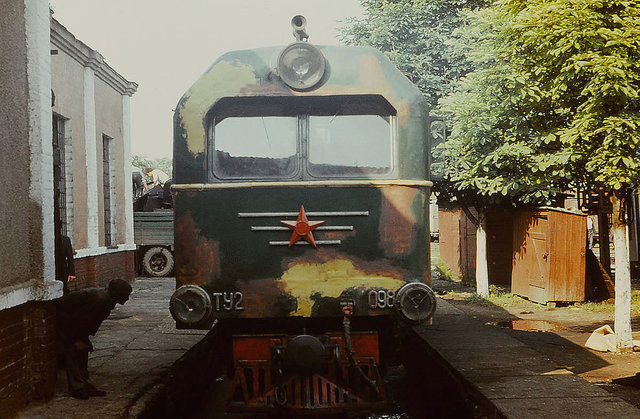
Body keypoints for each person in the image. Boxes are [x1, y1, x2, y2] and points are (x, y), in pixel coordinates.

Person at [55, 279, 133, 399]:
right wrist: (77, 340)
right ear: (117, 294)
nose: (127, 299)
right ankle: (77, 388)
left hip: (75, 323)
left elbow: (88, 323)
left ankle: (86, 385)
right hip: (65, 319)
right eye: (126, 296)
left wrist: (85, 339)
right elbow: (78, 320)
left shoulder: (107, 300)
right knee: (72, 352)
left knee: (83, 351)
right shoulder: (100, 300)